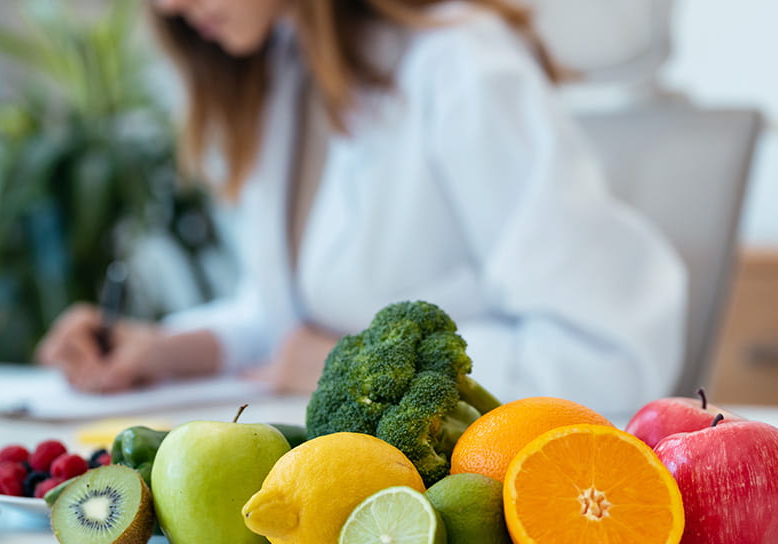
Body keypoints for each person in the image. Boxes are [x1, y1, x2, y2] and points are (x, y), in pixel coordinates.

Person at [37, 0, 687, 412]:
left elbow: (603, 357)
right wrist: (164, 349)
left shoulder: (460, 66)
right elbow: (294, 319)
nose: (168, 4)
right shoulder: (288, 70)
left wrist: (352, 366)